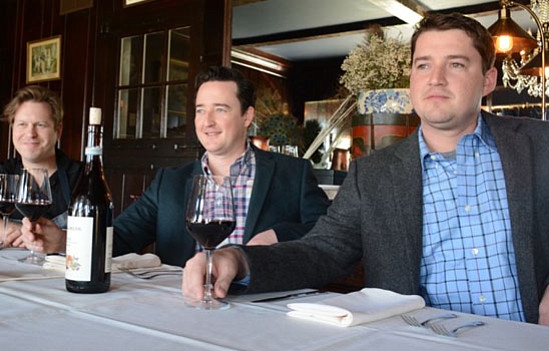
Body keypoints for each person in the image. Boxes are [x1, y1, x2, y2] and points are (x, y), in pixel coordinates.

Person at [182, 13, 549, 329]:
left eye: (456, 64)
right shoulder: (373, 174)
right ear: (412, 79)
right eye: (423, 65)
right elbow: (322, 252)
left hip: (531, 344)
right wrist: (239, 259)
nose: (436, 78)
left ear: (488, 81)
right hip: (418, 348)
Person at [21, 66, 330, 266]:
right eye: (199, 110)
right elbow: (122, 236)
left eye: (219, 110)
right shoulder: (170, 181)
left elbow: (331, 235)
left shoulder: (294, 174)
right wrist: (64, 240)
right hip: (186, 306)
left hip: (262, 305)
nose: (206, 122)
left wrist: (278, 234)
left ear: (247, 116)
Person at [0, 85, 83, 247]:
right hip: (7, 271)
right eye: (22, 124)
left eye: (40, 125)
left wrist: (59, 239)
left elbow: (94, 232)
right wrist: (22, 232)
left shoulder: (82, 176)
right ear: (12, 129)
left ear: (58, 131)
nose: (30, 133)